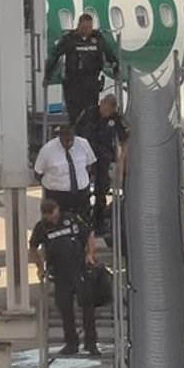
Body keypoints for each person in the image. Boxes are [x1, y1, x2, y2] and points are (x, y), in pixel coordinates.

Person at [29, 199, 100, 356]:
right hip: (60, 273)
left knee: (88, 308)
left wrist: (90, 253)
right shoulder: (41, 227)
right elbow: (33, 247)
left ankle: (91, 343)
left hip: (80, 268)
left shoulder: (71, 219)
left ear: (57, 209)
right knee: (65, 310)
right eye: (48, 216)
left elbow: (88, 235)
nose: (51, 218)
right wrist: (40, 267)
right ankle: (71, 343)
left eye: (53, 214)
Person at [43, 13, 119, 125]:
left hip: (91, 82)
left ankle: (89, 138)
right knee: (74, 115)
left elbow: (109, 54)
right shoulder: (69, 39)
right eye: (84, 27)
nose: (87, 30)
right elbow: (55, 55)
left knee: (90, 114)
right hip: (73, 83)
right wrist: (48, 75)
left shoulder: (97, 39)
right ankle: (75, 135)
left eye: (89, 27)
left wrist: (116, 67)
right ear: (78, 25)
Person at [75, 94, 129, 232]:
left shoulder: (115, 118)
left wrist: (121, 161)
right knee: (82, 187)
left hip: (103, 155)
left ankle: (99, 221)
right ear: (101, 103)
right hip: (86, 153)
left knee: (102, 187)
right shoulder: (89, 113)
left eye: (109, 110)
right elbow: (76, 132)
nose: (106, 111)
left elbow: (125, 140)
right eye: (104, 107)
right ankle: (83, 218)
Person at [34, 125, 96, 219]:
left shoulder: (83, 144)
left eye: (71, 140)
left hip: (80, 193)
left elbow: (89, 164)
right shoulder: (47, 149)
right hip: (57, 195)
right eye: (65, 141)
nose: (69, 143)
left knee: (83, 221)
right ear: (60, 137)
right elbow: (38, 172)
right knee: (57, 223)